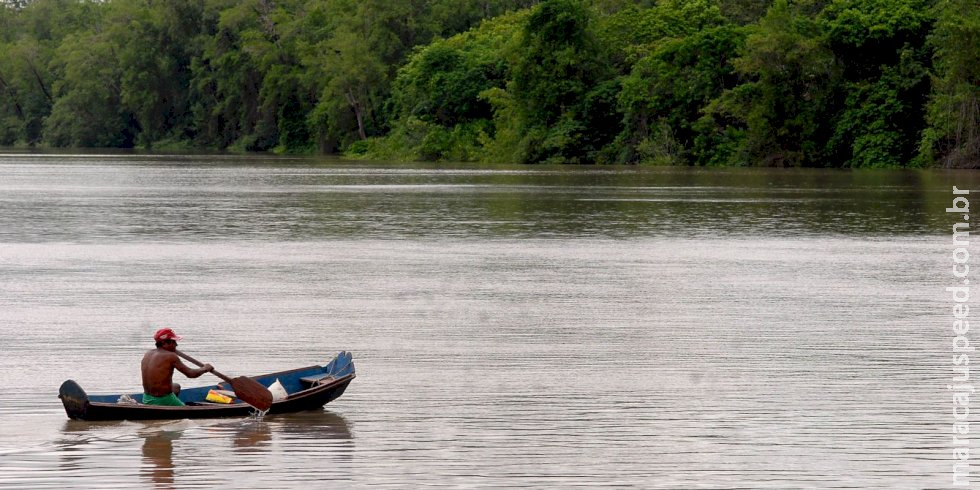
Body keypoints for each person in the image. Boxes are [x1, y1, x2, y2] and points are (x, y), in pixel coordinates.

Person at [141, 328, 213, 406]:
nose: (176, 345)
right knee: (187, 408)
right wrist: (205, 369)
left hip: (146, 398)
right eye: (173, 342)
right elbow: (190, 374)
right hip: (162, 399)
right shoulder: (171, 356)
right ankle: (172, 404)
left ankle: (172, 403)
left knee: (176, 386)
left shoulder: (148, 353)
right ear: (164, 343)